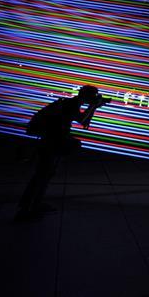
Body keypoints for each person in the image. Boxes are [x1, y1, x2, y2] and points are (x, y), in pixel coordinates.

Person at [15, 85, 109, 220]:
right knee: (42, 175)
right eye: (93, 96)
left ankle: (34, 204)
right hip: (51, 142)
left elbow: (84, 121)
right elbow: (83, 121)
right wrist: (93, 106)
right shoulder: (71, 104)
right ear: (87, 96)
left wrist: (93, 107)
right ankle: (27, 209)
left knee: (45, 174)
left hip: (50, 141)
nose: (94, 98)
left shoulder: (71, 103)